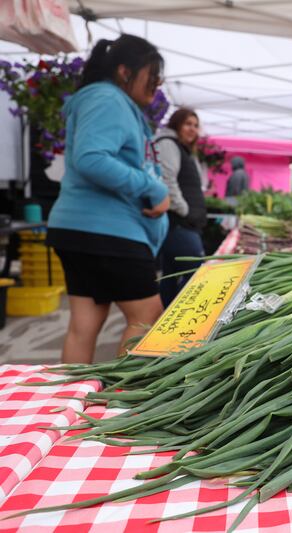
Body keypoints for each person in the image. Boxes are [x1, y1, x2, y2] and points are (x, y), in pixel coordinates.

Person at [45, 35, 168, 363]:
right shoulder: (108, 99)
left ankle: (69, 404)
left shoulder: (103, 100)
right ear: (125, 72)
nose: (156, 85)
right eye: (152, 76)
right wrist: (154, 189)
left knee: (84, 325)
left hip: (81, 228)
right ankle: (122, 401)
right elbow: (91, 158)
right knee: (147, 316)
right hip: (109, 232)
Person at [154, 107, 207, 306]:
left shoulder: (184, 150)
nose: (192, 129)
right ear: (176, 124)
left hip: (185, 223)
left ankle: (164, 317)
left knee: (171, 273)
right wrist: (184, 209)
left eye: (195, 125)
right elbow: (167, 180)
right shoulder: (168, 144)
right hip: (179, 222)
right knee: (196, 271)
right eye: (187, 124)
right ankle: (181, 317)